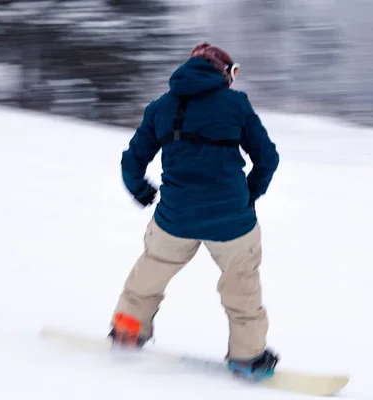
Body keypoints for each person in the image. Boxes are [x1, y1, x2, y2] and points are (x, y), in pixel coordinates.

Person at [109, 42, 280, 381]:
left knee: (149, 276)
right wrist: (248, 194)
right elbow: (268, 158)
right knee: (241, 286)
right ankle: (247, 358)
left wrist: (142, 191)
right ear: (224, 72)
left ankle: (128, 332)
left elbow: (132, 162)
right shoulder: (236, 104)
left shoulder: (161, 107)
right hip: (232, 222)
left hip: (175, 217)